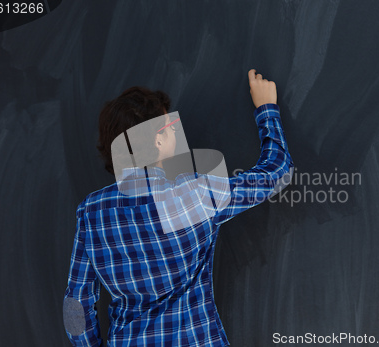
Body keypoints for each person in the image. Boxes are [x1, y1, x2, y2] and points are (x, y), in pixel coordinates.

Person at [63, 69, 295, 346]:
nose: (174, 129)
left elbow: (76, 304)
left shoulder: (91, 212)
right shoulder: (197, 194)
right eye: (168, 125)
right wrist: (266, 108)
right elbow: (278, 172)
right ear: (158, 140)